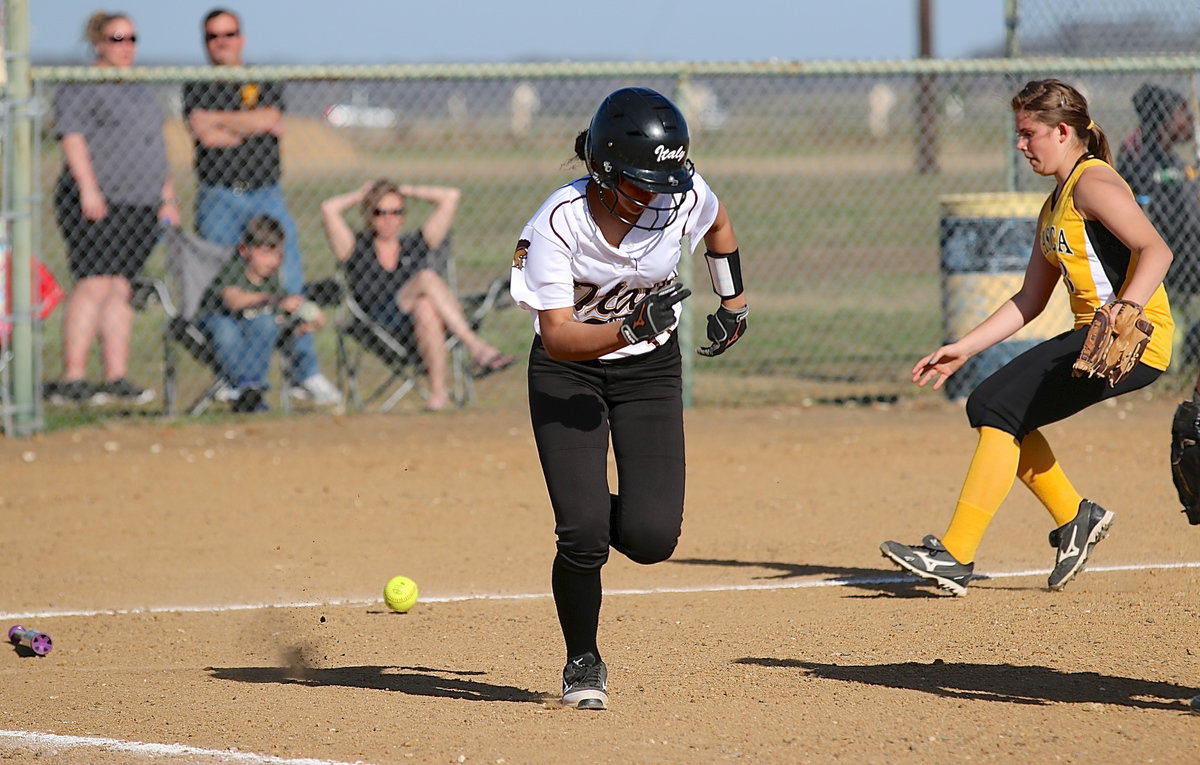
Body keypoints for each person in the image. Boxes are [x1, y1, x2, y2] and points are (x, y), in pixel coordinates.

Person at [880, 79, 1175, 596]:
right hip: (1093, 339)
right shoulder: (1056, 202)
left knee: (997, 407)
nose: (1020, 144)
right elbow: (1030, 299)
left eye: (1028, 133)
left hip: (1131, 343)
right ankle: (1075, 517)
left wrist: (1126, 309)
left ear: (1062, 132)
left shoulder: (1092, 184)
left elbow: (1157, 250)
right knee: (995, 407)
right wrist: (963, 348)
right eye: (1018, 133)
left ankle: (956, 555)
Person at [509, 87, 749, 709]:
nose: (659, 196)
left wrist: (734, 303)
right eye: (643, 183)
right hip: (568, 377)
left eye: (666, 181)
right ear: (604, 171)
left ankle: (586, 506)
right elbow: (559, 337)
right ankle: (582, 660)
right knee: (584, 534)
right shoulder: (559, 222)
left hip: (649, 375)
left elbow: (719, 223)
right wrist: (628, 328)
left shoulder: (679, 196)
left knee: (651, 538)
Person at [182, 7, 341, 407]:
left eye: (229, 34)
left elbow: (269, 117)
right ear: (204, 43)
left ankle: (305, 372)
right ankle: (235, 377)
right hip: (218, 195)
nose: (222, 42)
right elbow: (205, 133)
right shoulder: (197, 83)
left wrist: (225, 122)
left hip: (266, 192)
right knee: (223, 283)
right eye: (213, 36)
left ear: (242, 38)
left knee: (289, 278)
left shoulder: (264, 76)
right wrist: (248, 124)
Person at [47, 10, 180, 406]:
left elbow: (154, 144)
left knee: (121, 286)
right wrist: (89, 189)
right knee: (94, 282)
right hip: (99, 201)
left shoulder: (138, 87)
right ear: (98, 44)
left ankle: (115, 376)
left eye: (132, 39)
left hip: (140, 202)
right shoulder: (83, 85)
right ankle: (73, 379)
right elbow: (72, 137)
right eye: (117, 39)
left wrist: (167, 196)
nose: (127, 47)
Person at [320, 179, 514, 411]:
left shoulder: (414, 244)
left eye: (397, 212)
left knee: (425, 306)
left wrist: (406, 190)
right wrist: (361, 194)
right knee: (426, 278)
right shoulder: (356, 248)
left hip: (420, 320)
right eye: (380, 212)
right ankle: (476, 347)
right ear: (368, 214)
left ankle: (438, 395)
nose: (389, 219)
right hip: (379, 322)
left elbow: (451, 196)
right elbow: (328, 209)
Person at [195, 215, 326, 413]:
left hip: (252, 330)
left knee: (265, 323)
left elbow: (279, 322)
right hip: (219, 320)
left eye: (278, 255)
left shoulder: (272, 280)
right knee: (227, 332)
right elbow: (234, 300)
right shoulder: (234, 268)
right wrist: (273, 299)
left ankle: (249, 388)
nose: (273, 261)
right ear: (244, 250)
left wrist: (304, 323)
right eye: (265, 253)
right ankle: (240, 385)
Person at [1117, 84, 1200, 359]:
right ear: (1164, 119)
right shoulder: (1139, 160)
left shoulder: (1173, 160)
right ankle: (1173, 364)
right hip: (1167, 258)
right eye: (1183, 114)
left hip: (1189, 254)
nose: (1190, 120)